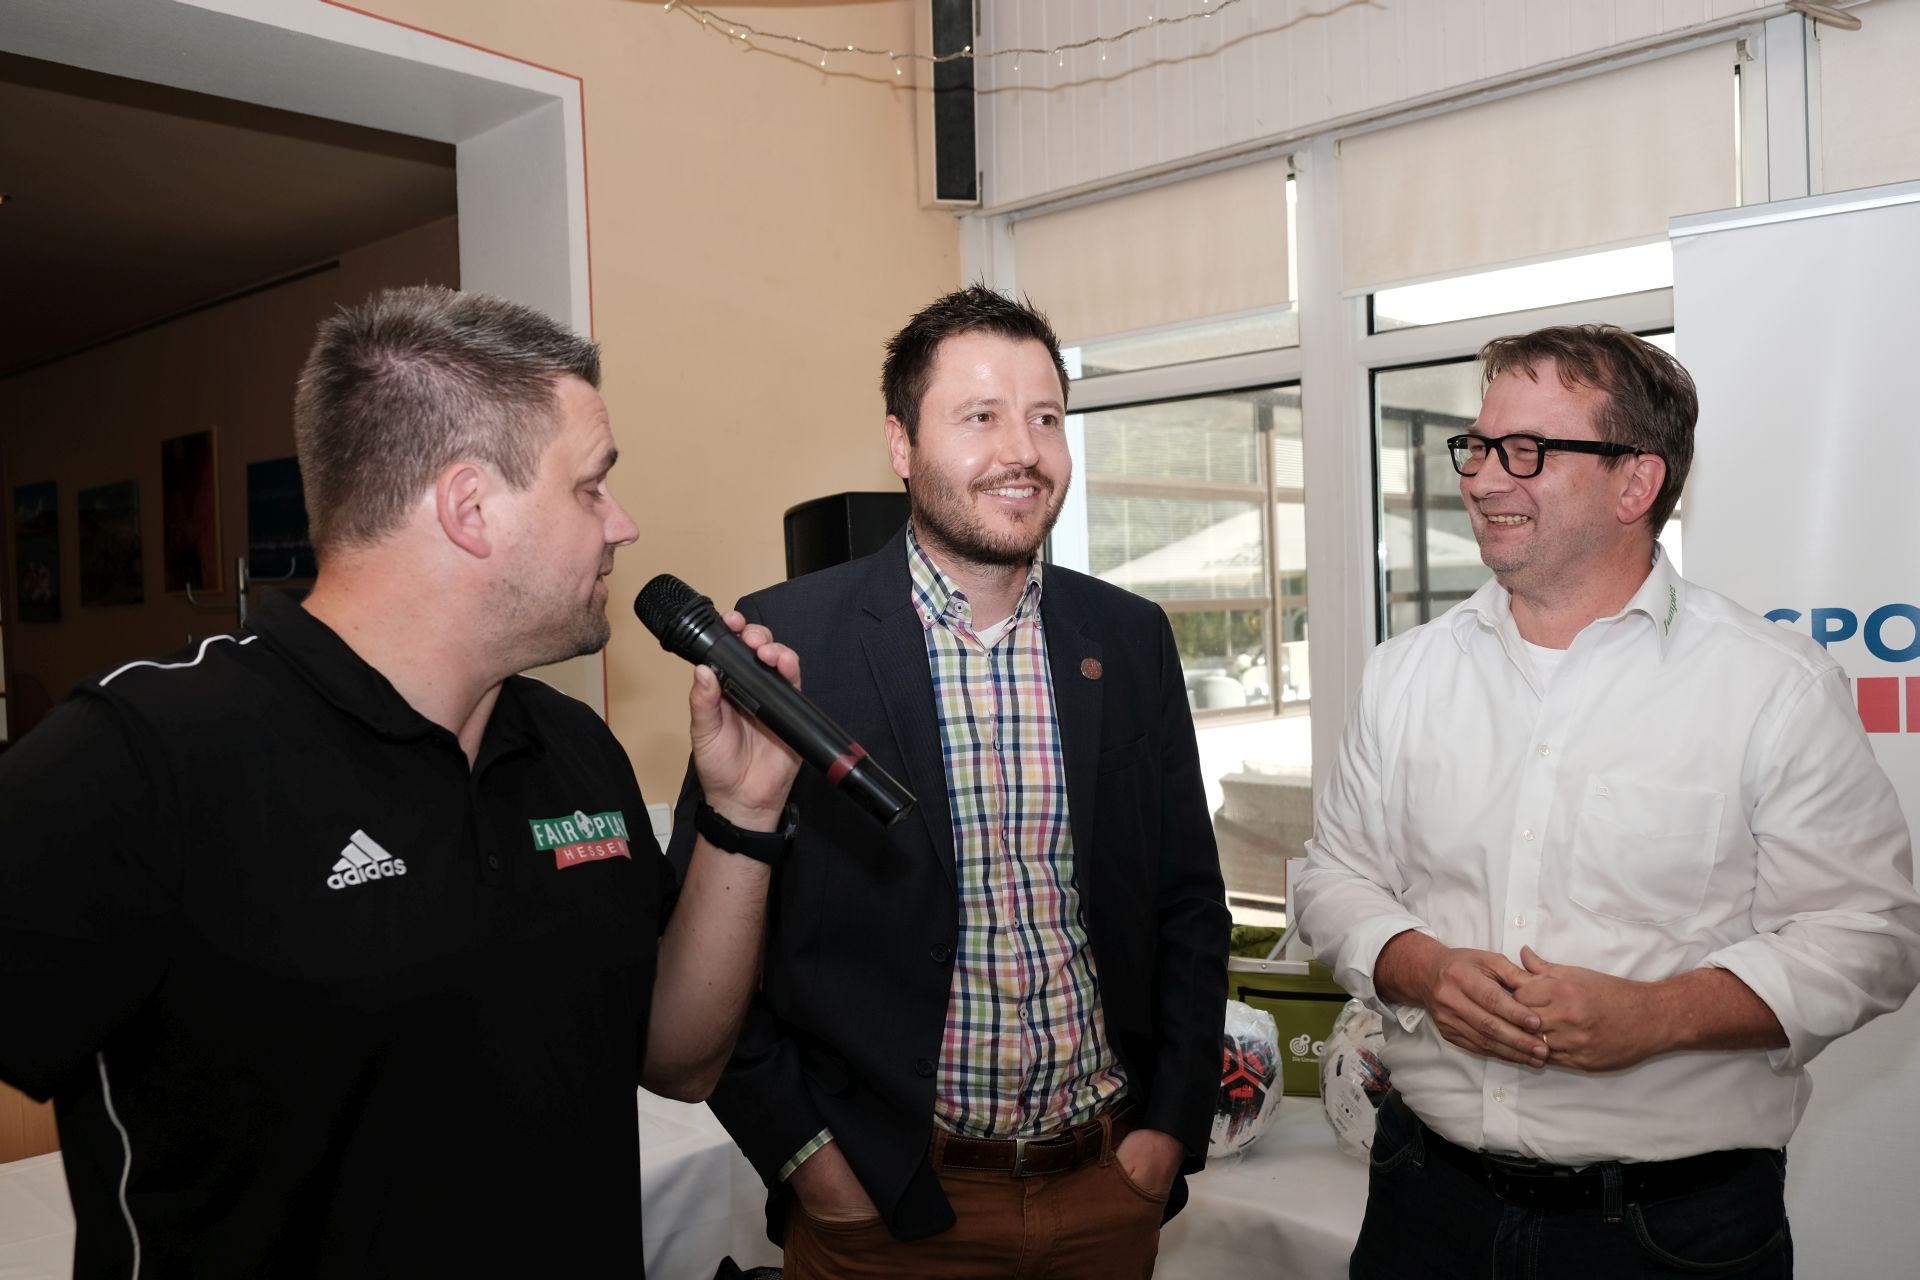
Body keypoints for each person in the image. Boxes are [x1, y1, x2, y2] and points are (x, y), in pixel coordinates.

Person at [0, 286, 804, 1278]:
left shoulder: (572, 746)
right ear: (470, 508)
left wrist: (743, 810)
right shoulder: (146, 753)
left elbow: (678, 1059)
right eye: (592, 486)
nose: (622, 524)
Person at [1293, 324, 1920, 1279]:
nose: (1483, 479)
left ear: (1636, 483)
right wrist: (1420, 966)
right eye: (1478, 446)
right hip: (1424, 1200)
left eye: (1526, 451)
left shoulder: (1772, 686)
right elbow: (1333, 879)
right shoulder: (1403, 675)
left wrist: (1662, 1016)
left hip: (1672, 1233)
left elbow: (1871, 935)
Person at [666, 285, 1229, 1278]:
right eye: (980, 416)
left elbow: (1187, 901)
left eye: (1046, 418)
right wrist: (808, 1159)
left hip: (1106, 1191)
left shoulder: (1129, 637)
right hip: (883, 1206)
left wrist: (1167, 1134)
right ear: (901, 443)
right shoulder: (792, 640)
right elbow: (710, 939)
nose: (1024, 450)